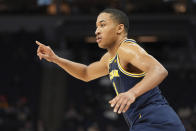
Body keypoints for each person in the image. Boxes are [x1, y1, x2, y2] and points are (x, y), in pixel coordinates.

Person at [35, 8, 185, 131]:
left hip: (157, 121)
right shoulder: (108, 59)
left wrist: (132, 93)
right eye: (96, 26)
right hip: (143, 122)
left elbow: (159, 70)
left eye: (102, 25)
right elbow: (86, 73)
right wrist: (56, 59)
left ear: (119, 28)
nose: (96, 31)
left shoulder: (127, 49)